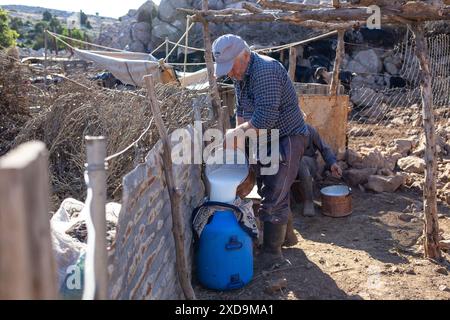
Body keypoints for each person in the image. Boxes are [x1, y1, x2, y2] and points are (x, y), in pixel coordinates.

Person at [212, 34, 309, 269]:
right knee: (268, 185)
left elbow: (265, 118)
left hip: (287, 135)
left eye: (230, 66)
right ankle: (286, 236)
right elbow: (242, 111)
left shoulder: (265, 71)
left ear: (244, 55)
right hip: (266, 137)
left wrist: (235, 135)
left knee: (275, 190)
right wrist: (240, 148)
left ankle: (272, 256)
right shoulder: (240, 75)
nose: (229, 73)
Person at [293, 124, 343, 217]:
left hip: (309, 164)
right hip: (291, 166)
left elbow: (324, 148)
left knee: (301, 161)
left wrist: (332, 163)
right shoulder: (285, 131)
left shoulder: (310, 130)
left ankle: (309, 201)